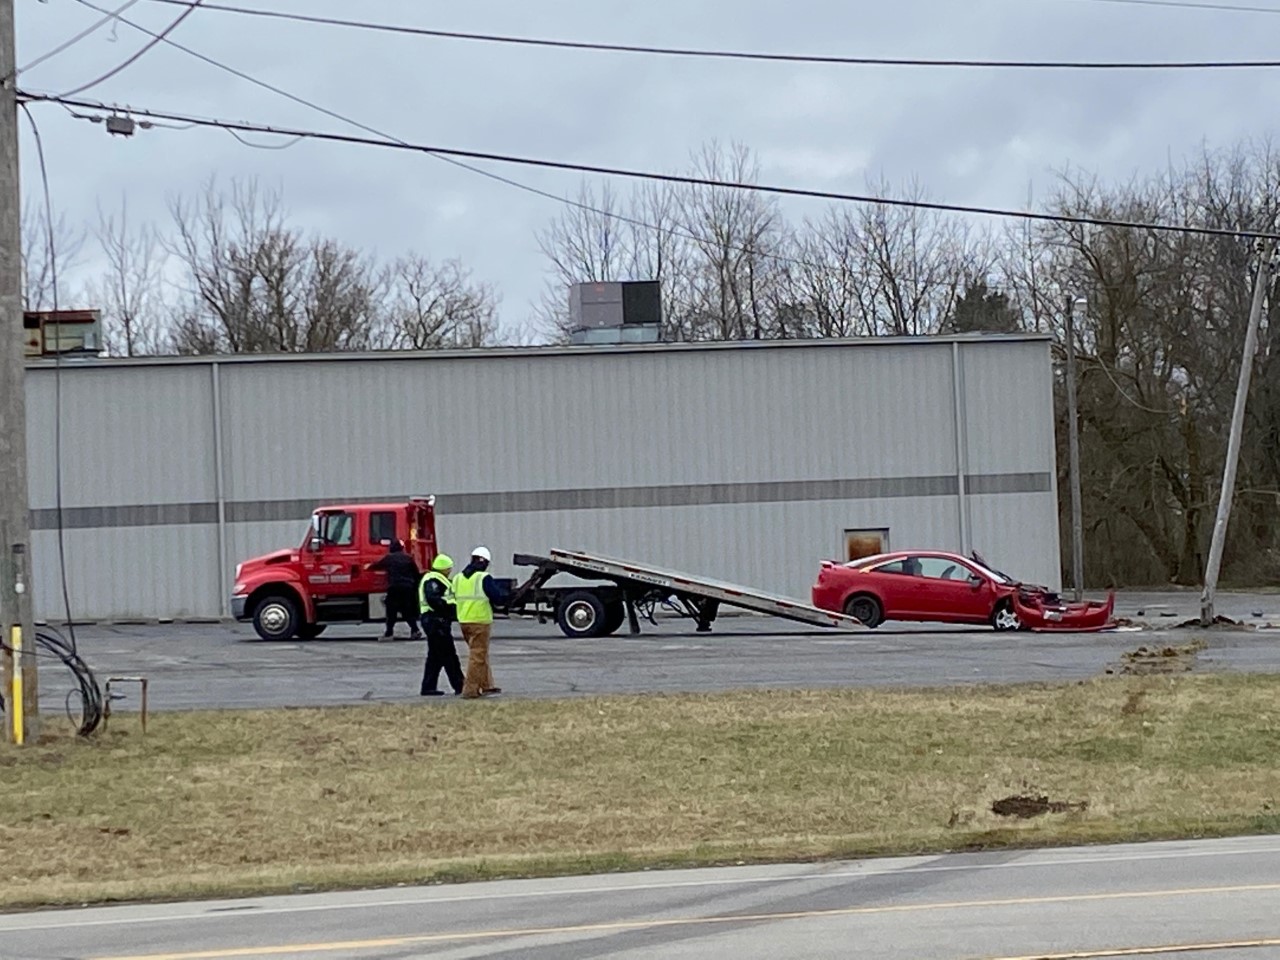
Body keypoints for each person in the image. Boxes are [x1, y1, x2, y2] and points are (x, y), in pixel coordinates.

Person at [453, 546, 508, 699]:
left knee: (479, 654)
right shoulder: (483, 578)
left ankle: (486, 685)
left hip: (464, 621)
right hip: (480, 621)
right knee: (477, 656)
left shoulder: (458, 578)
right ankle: (470, 690)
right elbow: (497, 597)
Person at [418, 553, 464, 697]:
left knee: (435, 657)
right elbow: (434, 600)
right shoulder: (433, 580)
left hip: (435, 621)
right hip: (436, 621)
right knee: (449, 655)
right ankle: (460, 685)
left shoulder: (436, 579)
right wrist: (449, 610)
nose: (450, 571)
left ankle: (428, 687)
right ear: (444, 568)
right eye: (449, 568)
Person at [367, 539, 422, 641]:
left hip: (394, 587)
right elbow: (416, 573)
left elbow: (376, 565)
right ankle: (415, 630)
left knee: (391, 611)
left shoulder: (389, 558)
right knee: (408, 611)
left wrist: (368, 566)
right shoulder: (408, 558)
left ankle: (389, 633)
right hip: (408, 588)